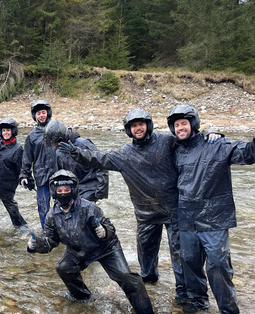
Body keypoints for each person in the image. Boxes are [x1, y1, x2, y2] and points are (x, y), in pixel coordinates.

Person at [58, 108, 221, 305]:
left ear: (148, 125)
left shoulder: (167, 141)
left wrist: (207, 132)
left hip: (174, 209)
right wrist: (76, 153)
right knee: (145, 251)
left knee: (181, 255)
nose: (138, 128)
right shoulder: (124, 154)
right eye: (134, 126)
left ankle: (183, 291)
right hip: (145, 213)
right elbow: (99, 159)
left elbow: (189, 139)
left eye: (141, 124)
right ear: (129, 129)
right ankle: (149, 278)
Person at [166, 104, 254, 313]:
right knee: (189, 262)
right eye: (176, 125)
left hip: (215, 219)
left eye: (184, 124)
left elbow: (248, 154)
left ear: (193, 124)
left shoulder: (216, 144)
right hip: (186, 218)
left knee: (218, 265)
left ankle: (228, 309)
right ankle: (198, 302)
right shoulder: (174, 150)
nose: (180, 128)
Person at [27, 170, 154, 313]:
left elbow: (110, 227)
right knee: (63, 267)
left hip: (106, 249)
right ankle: (82, 297)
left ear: (74, 190)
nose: (63, 193)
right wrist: (36, 244)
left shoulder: (89, 207)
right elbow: (50, 241)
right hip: (78, 251)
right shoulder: (52, 215)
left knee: (128, 279)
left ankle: (146, 311)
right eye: (60, 190)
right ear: (54, 192)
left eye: (67, 190)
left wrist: (105, 231)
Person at [43, 119, 108, 202]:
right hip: (73, 187)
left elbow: (102, 164)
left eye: (53, 142)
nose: (53, 145)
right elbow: (59, 174)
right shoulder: (59, 152)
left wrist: (101, 191)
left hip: (90, 186)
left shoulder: (83, 144)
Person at [19, 100, 57, 228]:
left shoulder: (57, 129)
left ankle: (64, 231)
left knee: (63, 204)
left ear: (48, 113)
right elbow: (27, 158)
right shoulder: (32, 136)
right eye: (38, 113)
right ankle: (46, 231)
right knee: (43, 207)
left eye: (43, 112)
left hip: (58, 174)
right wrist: (24, 175)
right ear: (35, 116)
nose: (41, 115)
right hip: (41, 177)